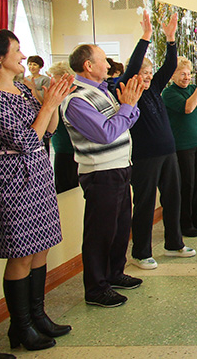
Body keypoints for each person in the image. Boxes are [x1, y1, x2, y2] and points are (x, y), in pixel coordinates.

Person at [0, 30, 74, 351]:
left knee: (41, 248)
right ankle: (20, 326)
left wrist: (53, 104)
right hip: (11, 178)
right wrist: (47, 105)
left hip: (38, 172)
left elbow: (48, 130)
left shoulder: (22, 89)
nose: (23, 56)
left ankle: (39, 316)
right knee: (21, 253)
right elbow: (26, 140)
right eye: (17, 50)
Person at [62, 27, 146, 308]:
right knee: (100, 232)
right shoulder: (76, 99)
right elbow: (106, 133)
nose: (109, 65)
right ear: (88, 65)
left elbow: (127, 120)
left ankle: (114, 273)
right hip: (100, 172)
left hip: (120, 166)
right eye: (103, 60)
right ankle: (96, 289)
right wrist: (127, 108)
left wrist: (128, 107)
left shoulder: (102, 91)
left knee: (120, 227)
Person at [121, 13, 196, 270]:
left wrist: (171, 39)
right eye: (144, 73)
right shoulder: (126, 89)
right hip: (144, 156)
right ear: (134, 74)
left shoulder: (154, 88)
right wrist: (146, 37)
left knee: (173, 199)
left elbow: (169, 65)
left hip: (168, 152)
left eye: (150, 72)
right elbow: (133, 66)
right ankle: (141, 252)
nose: (148, 76)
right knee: (144, 204)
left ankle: (174, 243)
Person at [163, 57, 197, 236]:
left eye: (188, 74)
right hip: (182, 145)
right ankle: (185, 223)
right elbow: (188, 108)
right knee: (187, 184)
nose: (186, 77)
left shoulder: (194, 88)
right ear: (173, 75)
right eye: (182, 74)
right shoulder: (169, 93)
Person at [47, 61, 79, 193]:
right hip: (66, 145)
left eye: (54, 76)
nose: (52, 80)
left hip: (66, 146)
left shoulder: (67, 94)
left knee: (66, 187)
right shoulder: (68, 92)